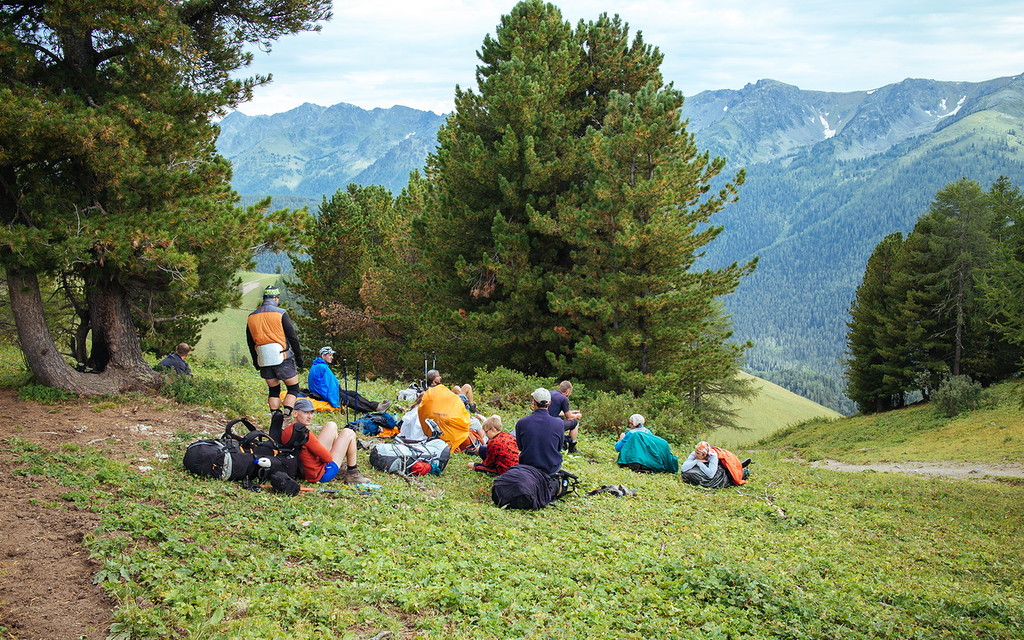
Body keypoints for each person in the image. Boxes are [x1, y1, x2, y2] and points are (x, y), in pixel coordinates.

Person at [280, 398, 371, 484]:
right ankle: (353, 473)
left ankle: (341, 467)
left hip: (303, 469)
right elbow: (327, 458)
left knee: (331, 425)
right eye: (306, 412)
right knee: (348, 433)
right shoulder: (306, 434)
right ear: (295, 413)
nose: (310, 417)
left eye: (311, 413)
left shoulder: (287, 430)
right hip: (319, 475)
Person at [246, 285, 303, 415]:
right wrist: (299, 358)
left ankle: (275, 416)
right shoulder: (280, 313)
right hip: (282, 358)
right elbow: (292, 337)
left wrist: (256, 362)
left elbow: (250, 342)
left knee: (273, 390)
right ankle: (287, 415)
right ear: (276, 299)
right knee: (293, 388)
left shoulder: (251, 316)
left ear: (264, 298)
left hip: (263, 359)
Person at [307, 347, 393, 413]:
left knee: (353, 393)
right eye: (330, 355)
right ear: (323, 356)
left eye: (332, 355)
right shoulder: (321, 367)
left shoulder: (318, 365)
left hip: (329, 391)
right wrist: (336, 396)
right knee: (350, 400)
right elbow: (327, 385)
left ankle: (377, 406)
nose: (332, 357)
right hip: (325, 393)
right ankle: (371, 411)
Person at [514, 388, 570, 475]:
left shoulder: (522, 422)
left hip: (527, 466)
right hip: (550, 467)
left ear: (534, 403)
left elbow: (520, 447)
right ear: (549, 403)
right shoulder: (559, 423)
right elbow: (558, 447)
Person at [417, 369, 474, 452]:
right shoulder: (440, 389)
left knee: (457, 388)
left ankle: (471, 405)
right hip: (452, 406)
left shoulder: (427, 393)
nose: (440, 377)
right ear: (435, 379)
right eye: (438, 376)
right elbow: (452, 399)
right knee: (466, 387)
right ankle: (472, 405)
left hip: (442, 408)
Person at [614, 414, 678, 474]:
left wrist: (621, 439)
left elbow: (618, 448)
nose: (629, 425)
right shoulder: (648, 432)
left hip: (636, 461)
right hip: (649, 461)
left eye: (630, 423)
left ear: (633, 424)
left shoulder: (631, 433)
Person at [679, 441, 750, 488]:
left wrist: (700, 464)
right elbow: (684, 468)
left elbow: (710, 474)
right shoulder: (695, 454)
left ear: (704, 454)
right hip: (706, 465)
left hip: (721, 463)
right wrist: (697, 461)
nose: (695, 454)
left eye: (698, 454)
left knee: (730, 471)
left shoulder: (713, 456)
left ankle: (742, 469)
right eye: (695, 452)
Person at [548, 380, 582, 453]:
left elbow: (555, 411)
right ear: (567, 391)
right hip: (552, 424)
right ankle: (572, 447)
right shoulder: (563, 398)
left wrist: (571, 412)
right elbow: (569, 417)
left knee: (560, 418)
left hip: (545, 421)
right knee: (575, 423)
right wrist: (577, 415)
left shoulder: (550, 393)